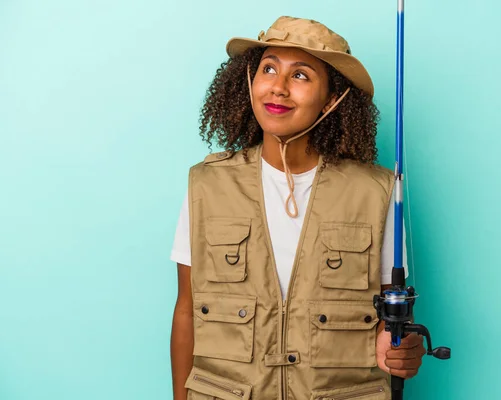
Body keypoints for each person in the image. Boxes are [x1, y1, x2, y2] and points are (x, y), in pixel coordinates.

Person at [169, 16, 426, 400]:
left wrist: (401, 351)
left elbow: (391, 322)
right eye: (268, 68)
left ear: (333, 97)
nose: (278, 87)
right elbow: (187, 310)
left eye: (301, 76)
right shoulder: (207, 185)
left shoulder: (378, 193)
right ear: (248, 81)